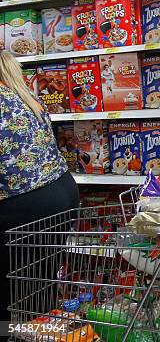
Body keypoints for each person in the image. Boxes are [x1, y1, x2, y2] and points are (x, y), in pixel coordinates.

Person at [0, 51, 80, 320]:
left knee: (9, 297)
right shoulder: (23, 95)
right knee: (38, 287)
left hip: (23, 203)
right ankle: (40, 331)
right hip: (59, 193)